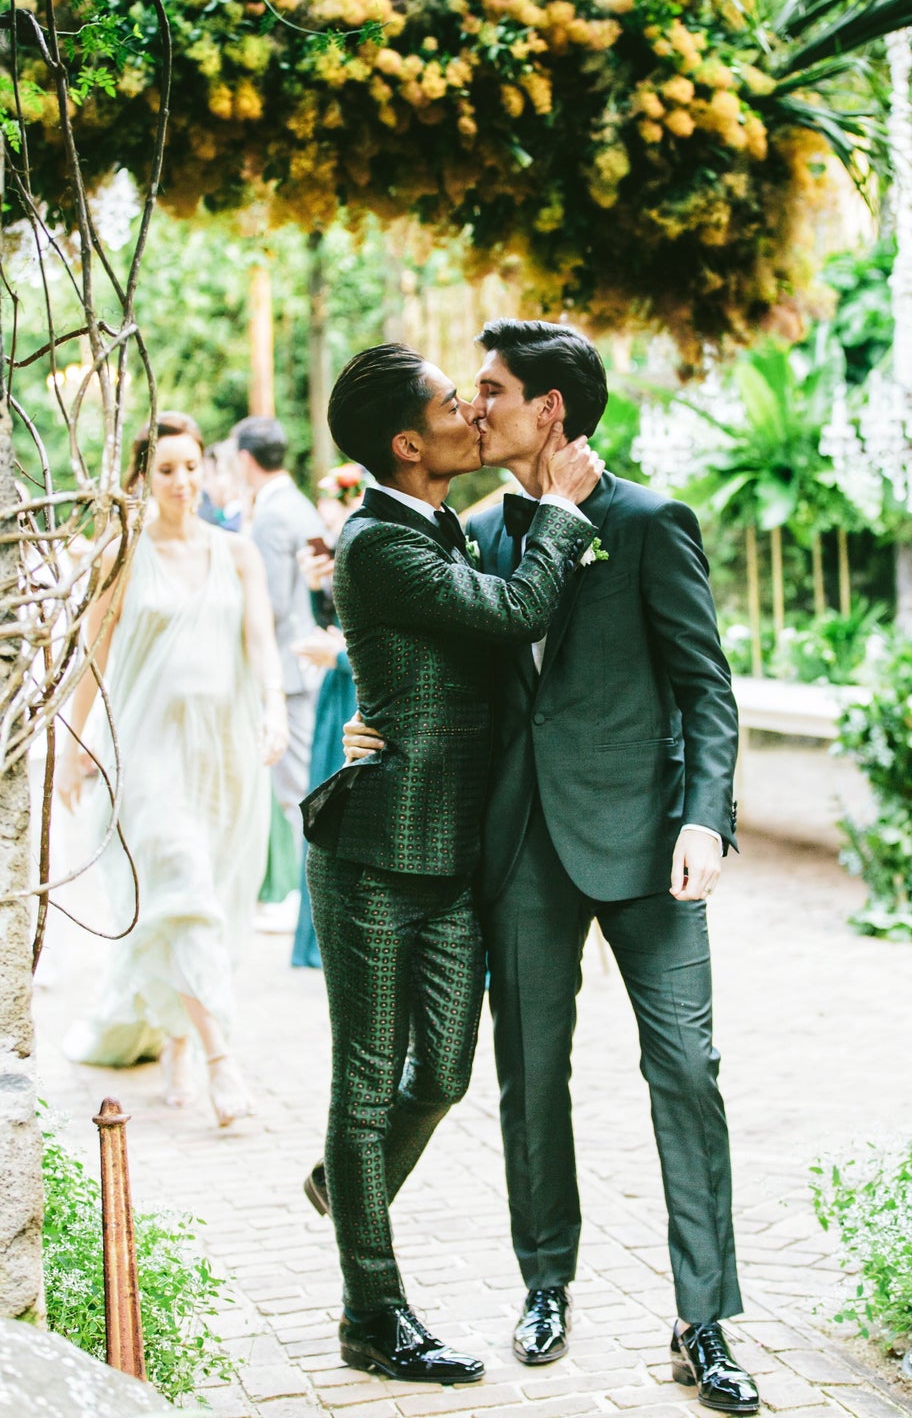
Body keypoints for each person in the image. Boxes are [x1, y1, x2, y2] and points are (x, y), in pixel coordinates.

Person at [346, 320, 759, 1413]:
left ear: (552, 412)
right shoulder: (475, 533)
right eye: (469, 391)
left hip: (649, 843)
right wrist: (377, 726)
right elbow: (429, 648)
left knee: (688, 1069)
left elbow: (707, 687)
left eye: (492, 390)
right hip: (519, 844)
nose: (476, 408)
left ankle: (704, 1321)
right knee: (531, 1075)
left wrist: (704, 818)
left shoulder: (649, 522)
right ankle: (546, 1283)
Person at [301, 343, 602, 1385]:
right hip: (375, 856)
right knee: (369, 1082)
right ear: (406, 444)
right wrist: (563, 513)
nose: (476, 413)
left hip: (456, 853)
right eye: (452, 403)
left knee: (444, 1074)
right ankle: (372, 1316)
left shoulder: (442, 528)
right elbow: (516, 611)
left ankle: (348, 1183)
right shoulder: (379, 542)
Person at [57, 410, 287, 1128]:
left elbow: (261, 643)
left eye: (193, 467)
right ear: (143, 478)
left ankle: (179, 1041)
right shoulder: (121, 555)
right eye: (167, 470)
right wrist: (72, 747)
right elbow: (90, 657)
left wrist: (274, 711)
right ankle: (222, 1061)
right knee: (182, 882)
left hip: (221, 758)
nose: (184, 482)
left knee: (204, 902)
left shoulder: (236, 552)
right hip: (147, 753)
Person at [289, 463, 367, 969]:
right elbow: (333, 617)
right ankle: (320, 937)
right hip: (335, 693)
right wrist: (317, 586)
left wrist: (337, 653)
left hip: (357, 688)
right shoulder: (334, 553)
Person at [237, 416, 325, 849]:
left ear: (244, 459)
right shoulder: (300, 504)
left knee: (296, 790)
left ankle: (305, 903)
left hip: (287, 669)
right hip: (306, 657)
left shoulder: (272, 516)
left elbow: (266, 604)